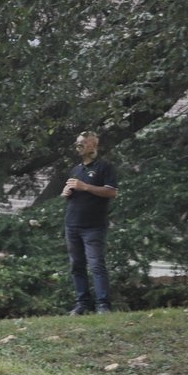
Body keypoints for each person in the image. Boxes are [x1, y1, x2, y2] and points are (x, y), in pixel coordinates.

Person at [63, 131, 119, 314]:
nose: (79, 145)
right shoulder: (76, 169)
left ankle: (103, 305)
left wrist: (85, 187)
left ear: (93, 145)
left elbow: (112, 192)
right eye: (77, 142)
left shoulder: (105, 167)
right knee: (76, 266)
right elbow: (75, 193)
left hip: (93, 226)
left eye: (83, 143)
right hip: (72, 224)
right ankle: (82, 304)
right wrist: (67, 192)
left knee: (96, 264)